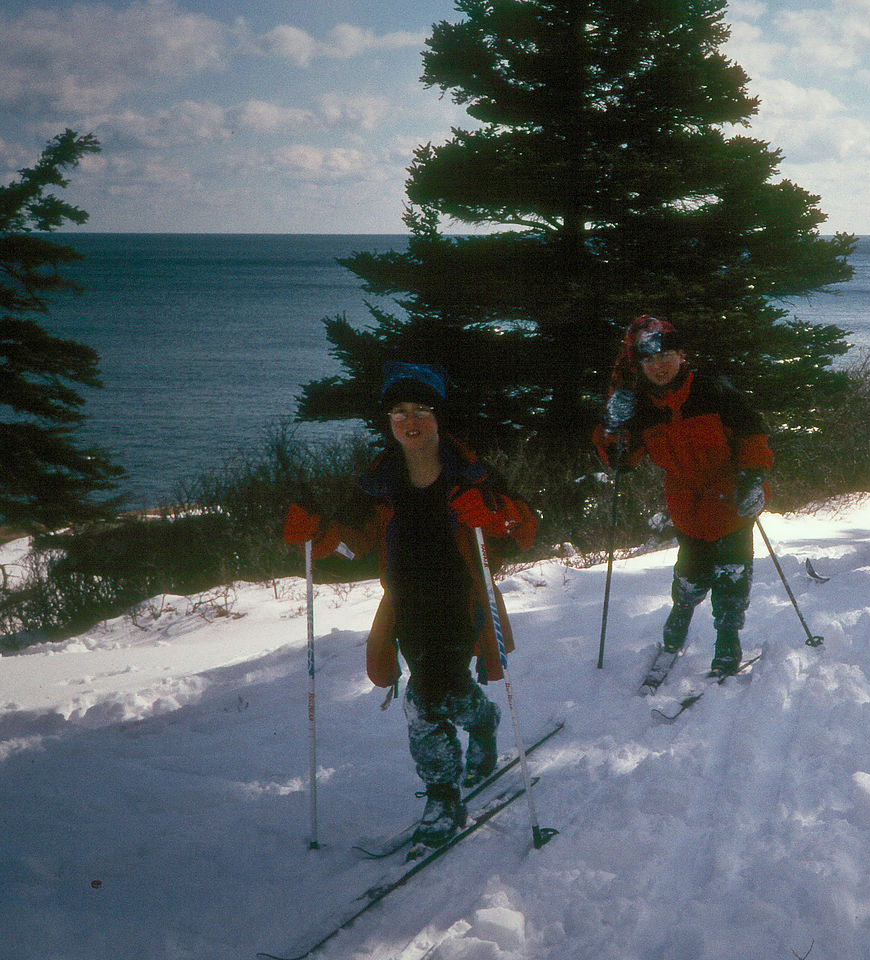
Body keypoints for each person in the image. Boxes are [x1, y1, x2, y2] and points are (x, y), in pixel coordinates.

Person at [282, 362, 537, 846]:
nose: (411, 420)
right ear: (389, 420)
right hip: (407, 608)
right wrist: (320, 537)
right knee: (450, 692)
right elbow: (353, 547)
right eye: (400, 411)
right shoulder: (377, 483)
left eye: (422, 409)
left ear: (440, 418)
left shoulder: (474, 476)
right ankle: (483, 723)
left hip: (464, 603)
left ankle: (443, 798)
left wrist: (497, 515)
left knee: (423, 701)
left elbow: (524, 530)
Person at [595, 316, 773, 676]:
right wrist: (612, 428)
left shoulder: (713, 390)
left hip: (730, 496)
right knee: (691, 569)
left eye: (666, 356)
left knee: (732, 571)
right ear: (639, 367)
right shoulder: (640, 407)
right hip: (685, 502)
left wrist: (753, 478)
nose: (658, 366)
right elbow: (622, 463)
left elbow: (753, 434)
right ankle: (681, 613)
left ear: (681, 355)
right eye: (648, 361)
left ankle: (727, 637)